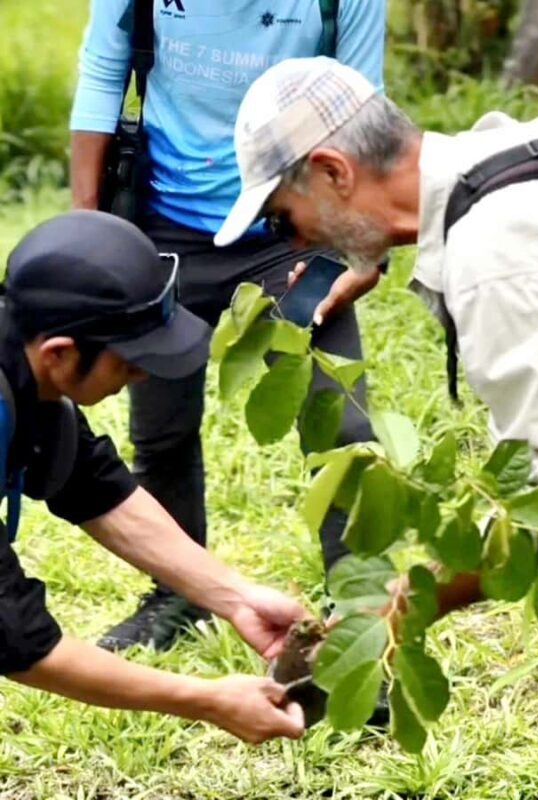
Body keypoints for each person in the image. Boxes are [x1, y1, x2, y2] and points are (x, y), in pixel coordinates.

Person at [217, 56, 538, 758]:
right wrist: (373, 239)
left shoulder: (497, 259)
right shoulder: (497, 157)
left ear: (335, 172)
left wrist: (398, 605)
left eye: (283, 219)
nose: (297, 240)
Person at [70, 0, 387, 653]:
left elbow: (363, 103)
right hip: (161, 225)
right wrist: (90, 229)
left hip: (292, 228)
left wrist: (361, 247)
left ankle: (359, 613)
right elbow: (103, 72)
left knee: (342, 426)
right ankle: (178, 596)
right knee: (160, 428)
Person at [0, 210, 306, 745]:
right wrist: (208, 700)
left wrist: (235, 597)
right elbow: (16, 639)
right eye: (131, 359)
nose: (142, 374)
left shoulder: (22, 359)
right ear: (60, 354)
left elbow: (92, 483)